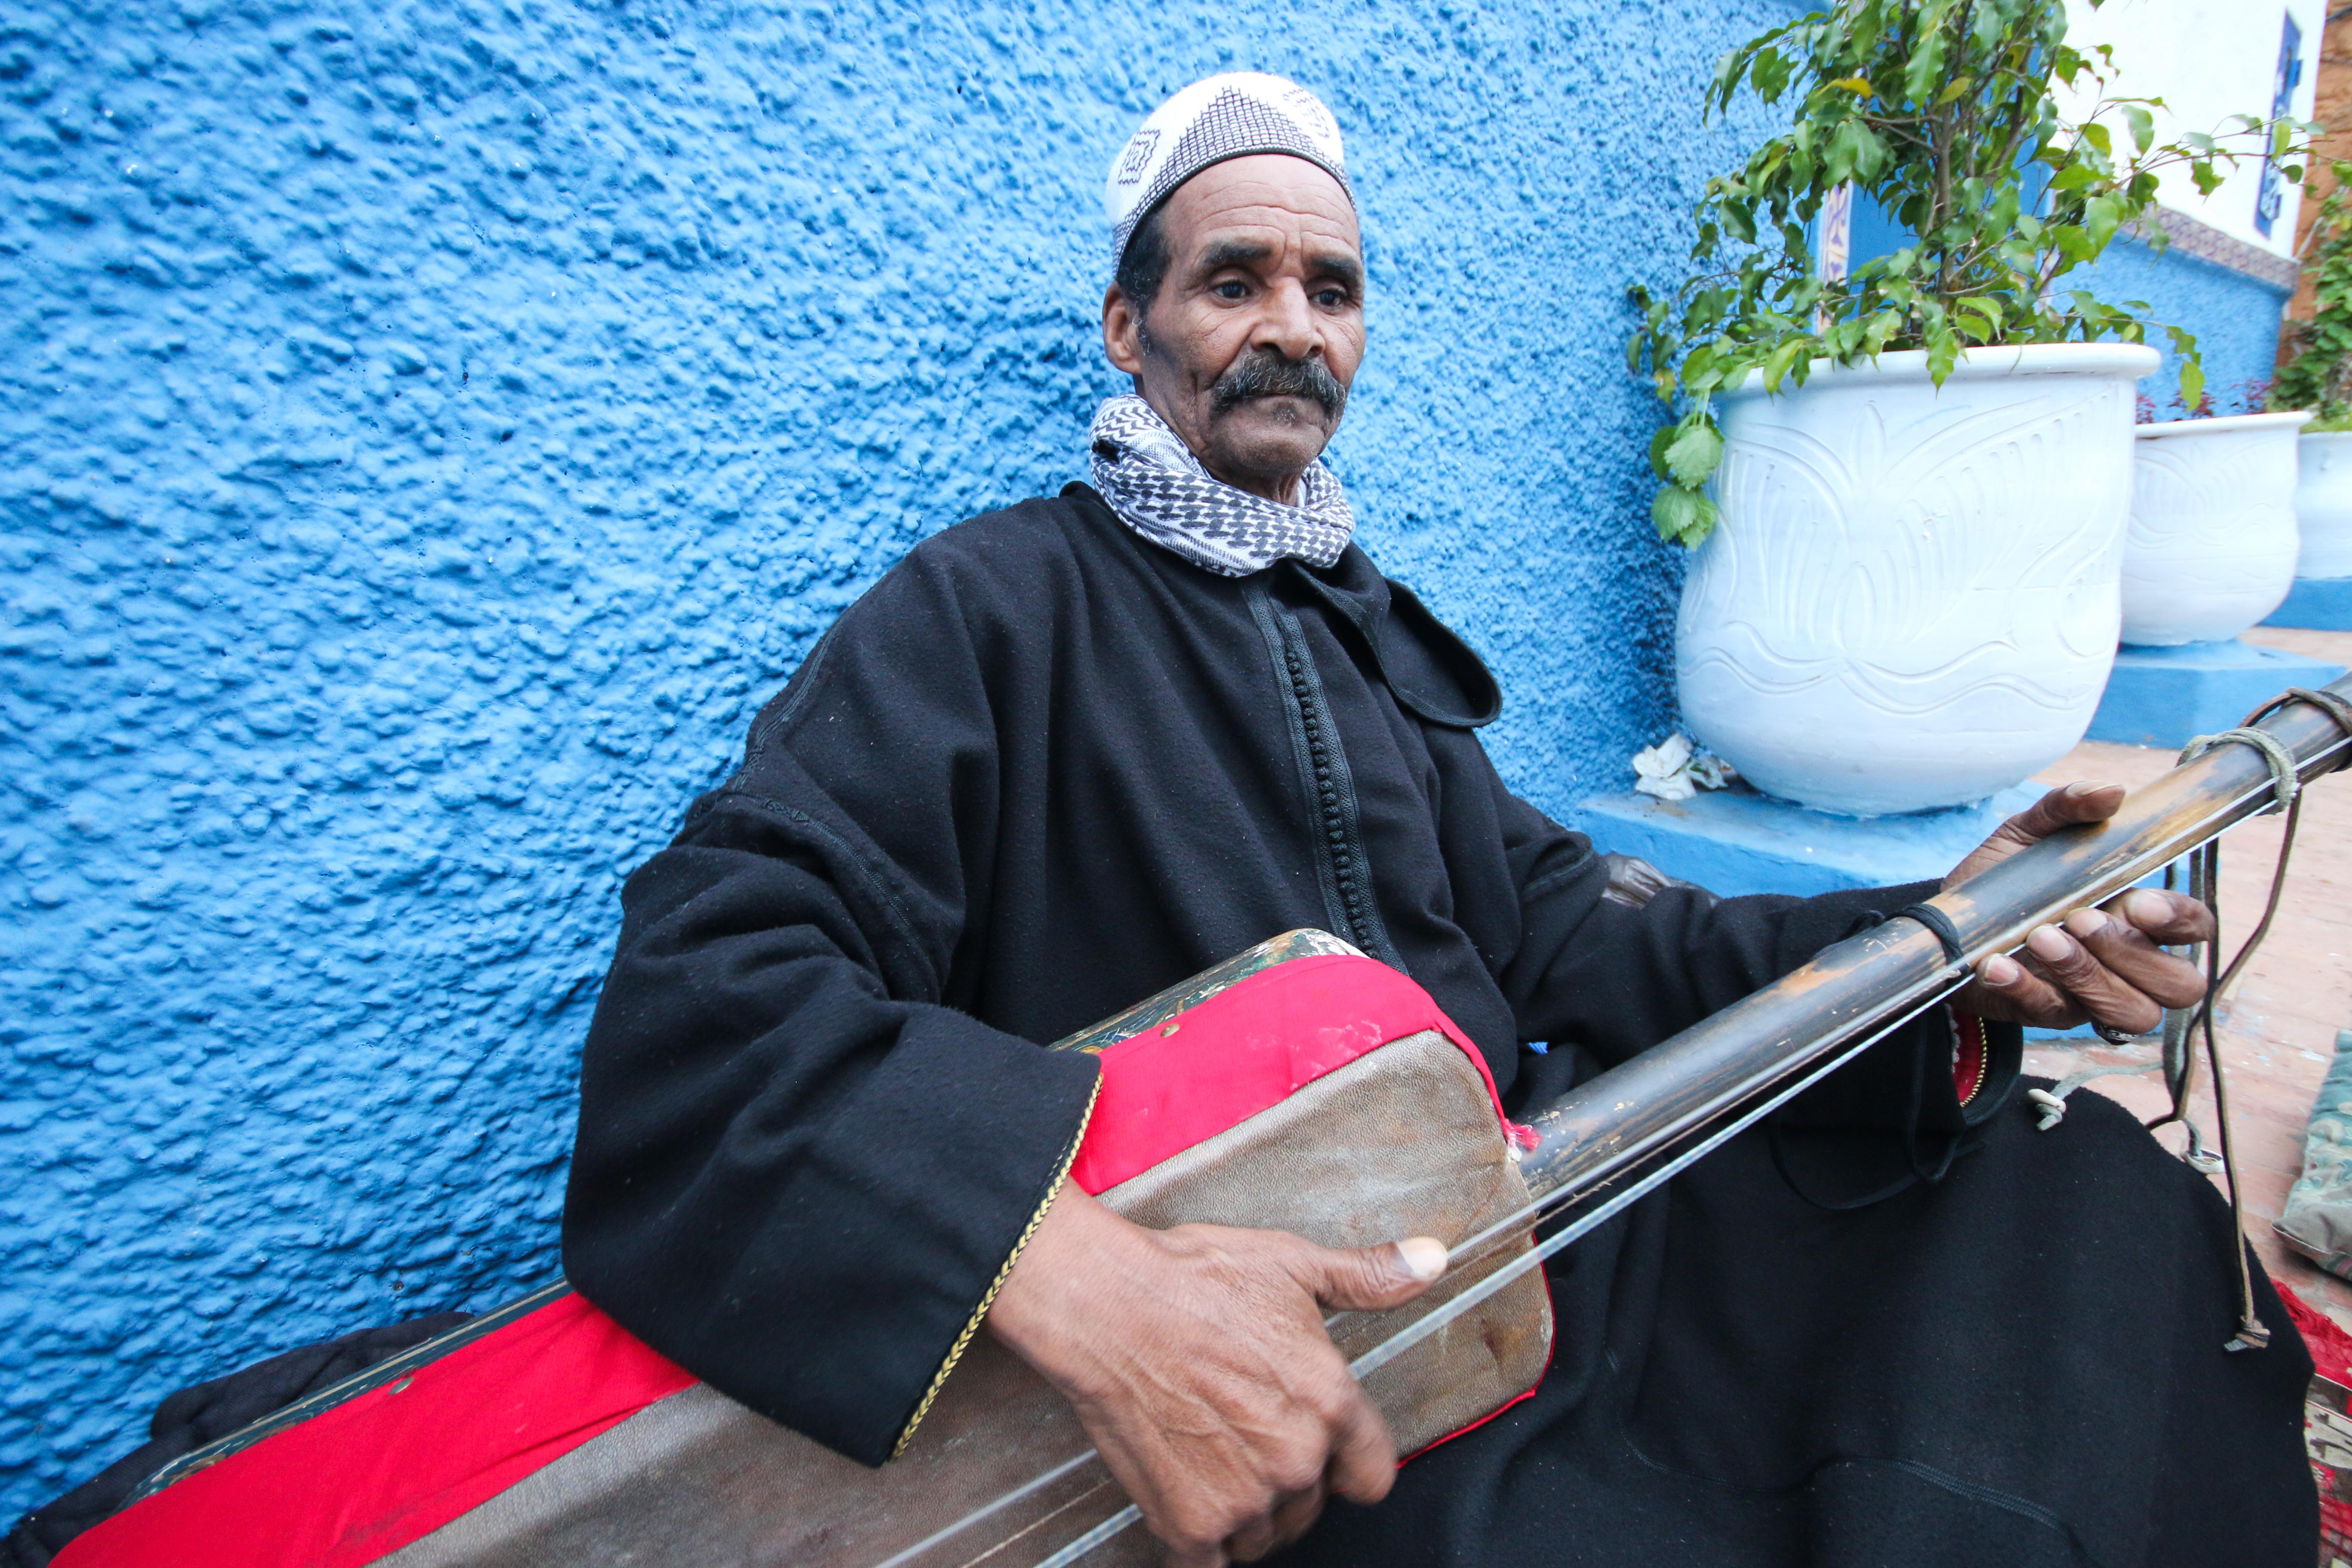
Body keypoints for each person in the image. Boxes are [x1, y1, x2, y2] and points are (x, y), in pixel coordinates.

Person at [562, 74, 2315, 1568]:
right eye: (1232, 280)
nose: (1293, 327)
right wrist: (1078, 1280)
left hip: (1556, 1220)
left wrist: (1947, 936)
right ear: (1131, 326)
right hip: (1331, 1352)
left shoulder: (1368, 626)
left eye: (1332, 288)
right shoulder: (991, 612)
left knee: (2080, 1228)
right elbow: (711, 988)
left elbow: (1584, 935)